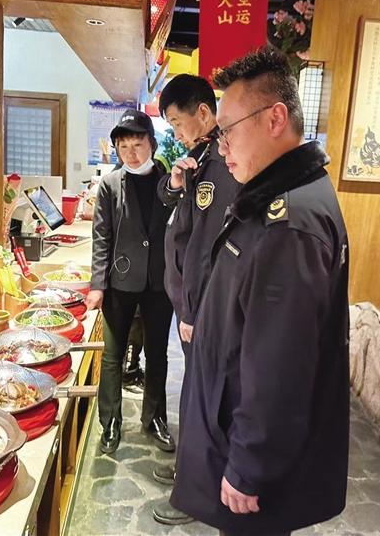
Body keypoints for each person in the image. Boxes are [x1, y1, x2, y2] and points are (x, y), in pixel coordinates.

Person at [170, 47, 350, 535]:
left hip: (247, 448)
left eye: (227, 129)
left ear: (275, 119)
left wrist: (250, 464)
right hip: (229, 420)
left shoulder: (289, 222)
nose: (220, 145)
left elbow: (281, 361)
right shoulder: (271, 196)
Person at [151, 74, 240, 526]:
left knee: (203, 402)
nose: (176, 131)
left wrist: (191, 311)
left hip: (202, 308)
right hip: (190, 301)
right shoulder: (201, 155)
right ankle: (189, 472)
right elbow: (177, 209)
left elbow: (207, 247)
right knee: (192, 394)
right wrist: (175, 180)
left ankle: (195, 492)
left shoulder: (223, 163)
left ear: (203, 112)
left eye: (176, 122)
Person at [86, 109, 175, 454]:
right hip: (119, 283)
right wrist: (97, 284)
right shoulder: (110, 184)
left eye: (137, 144)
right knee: (112, 356)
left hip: (159, 282)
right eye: (123, 147)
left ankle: (155, 418)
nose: (131, 153)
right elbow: (101, 236)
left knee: (157, 354)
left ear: (151, 143)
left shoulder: (169, 181)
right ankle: (110, 422)